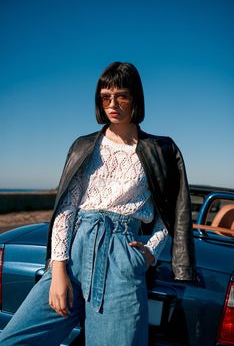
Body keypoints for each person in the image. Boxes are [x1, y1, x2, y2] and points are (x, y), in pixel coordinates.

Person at [0, 62, 196, 346]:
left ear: (136, 98)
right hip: (74, 254)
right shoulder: (84, 146)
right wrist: (58, 271)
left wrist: (149, 254)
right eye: (105, 97)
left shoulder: (161, 149)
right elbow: (67, 209)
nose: (112, 104)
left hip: (122, 259)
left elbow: (171, 211)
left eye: (121, 96)